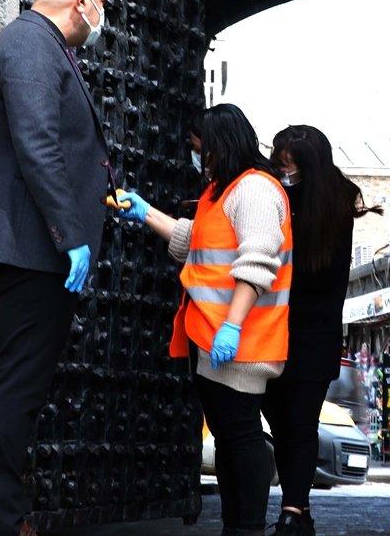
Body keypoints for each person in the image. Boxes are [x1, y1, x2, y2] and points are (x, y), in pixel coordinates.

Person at [0, 0, 112, 536]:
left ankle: (6, 515)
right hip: (35, 249)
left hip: (39, 247)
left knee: (25, 389)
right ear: (80, 0)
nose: (102, 17)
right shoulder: (30, 44)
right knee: (17, 391)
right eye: (102, 4)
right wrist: (69, 236)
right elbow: (38, 144)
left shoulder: (41, 45)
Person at [110, 104, 292, 536]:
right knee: (230, 437)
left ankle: (247, 526)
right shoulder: (220, 193)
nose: (197, 157)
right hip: (213, 339)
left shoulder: (255, 191)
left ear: (218, 146)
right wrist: (145, 211)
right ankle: (237, 525)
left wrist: (232, 324)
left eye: (200, 148)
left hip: (242, 340)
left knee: (243, 435)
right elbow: (193, 241)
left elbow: (258, 262)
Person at [260, 124, 381, 536]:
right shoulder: (288, 194)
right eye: (279, 163)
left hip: (308, 329)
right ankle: (300, 507)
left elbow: (317, 273)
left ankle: (293, 510)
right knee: (283, 422)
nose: (283, 172)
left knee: (299, 421)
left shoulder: (330, 203)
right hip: (283, 328)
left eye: (288, 165)